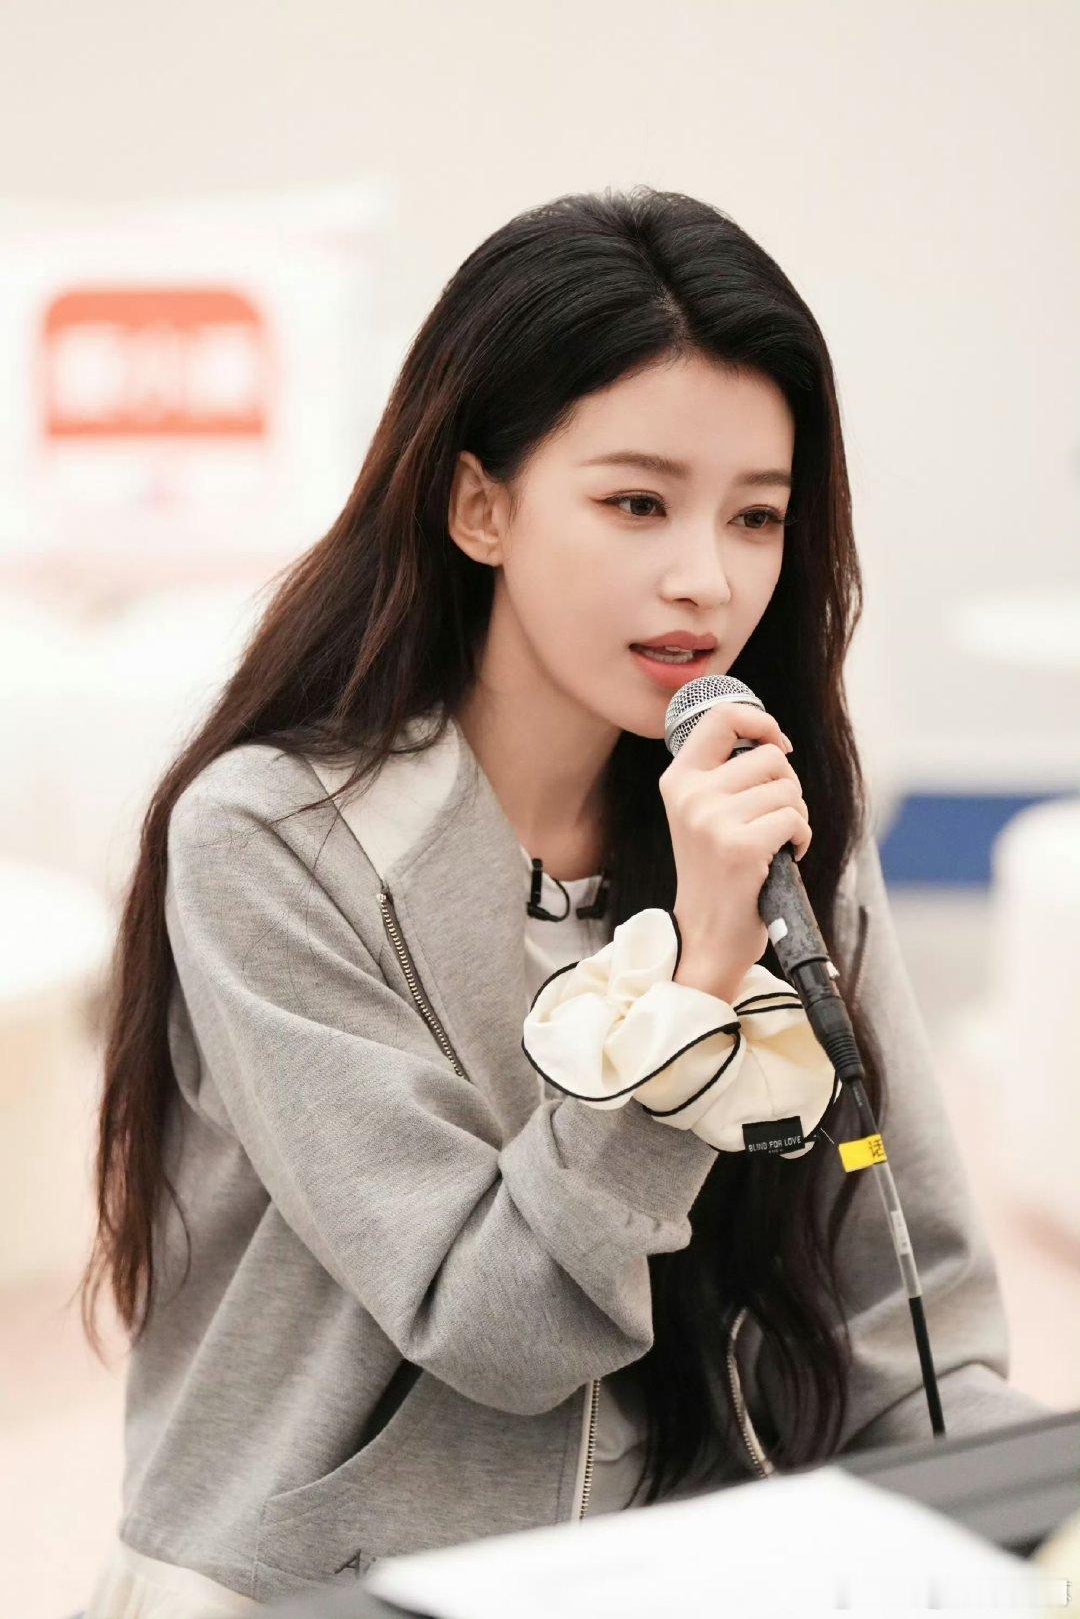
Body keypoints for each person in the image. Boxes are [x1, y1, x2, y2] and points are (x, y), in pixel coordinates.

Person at [79, 187, 1047, 1616]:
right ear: (480, 506)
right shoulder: (275, 843)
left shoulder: (775, 831)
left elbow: (908, 1335)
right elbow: (502, 1330)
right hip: (317, 1595)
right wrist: (695, 994)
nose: (704, 579)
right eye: (635, 502)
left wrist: (1027, 1508)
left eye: (758, 515)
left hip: (675, 1575)